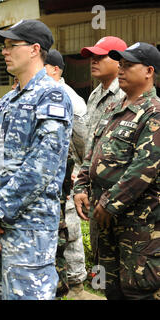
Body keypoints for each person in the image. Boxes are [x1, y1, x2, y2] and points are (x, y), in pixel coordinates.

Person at [0, 20, 73, 300]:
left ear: (34, 49)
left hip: (30, 231)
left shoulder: (52, 95)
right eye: (4, 46)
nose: (4, 52)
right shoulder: (8, 101)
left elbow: (42, 166)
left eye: (11, 45)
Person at [74, 42, 160, 300]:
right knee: (110, 289)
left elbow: (145, 167)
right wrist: (80, 188)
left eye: (129, 65)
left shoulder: (154, 112)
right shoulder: (113, 108)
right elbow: (92, 151)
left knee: (139, 291)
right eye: (120, 64)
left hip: (137, 226)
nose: (121, 70)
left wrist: (110, 203)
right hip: (104, 223)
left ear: (149, 71)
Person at [74, 36, 127, 266]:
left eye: (100, 56)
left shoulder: (127, 94)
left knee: (128, 267)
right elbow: (90, 144)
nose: (93, 61)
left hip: (121, 195)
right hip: (95, 192)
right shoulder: (95, 95)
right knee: (103, 263)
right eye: (92, 57)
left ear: (118, 61)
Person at [44, 49, 88, 297]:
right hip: (48, 190)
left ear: (55, 69)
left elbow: (85, 146)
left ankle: (77, 288)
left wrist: (79, 174)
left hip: (67, 185)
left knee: (69, 237)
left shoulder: (71, 100)